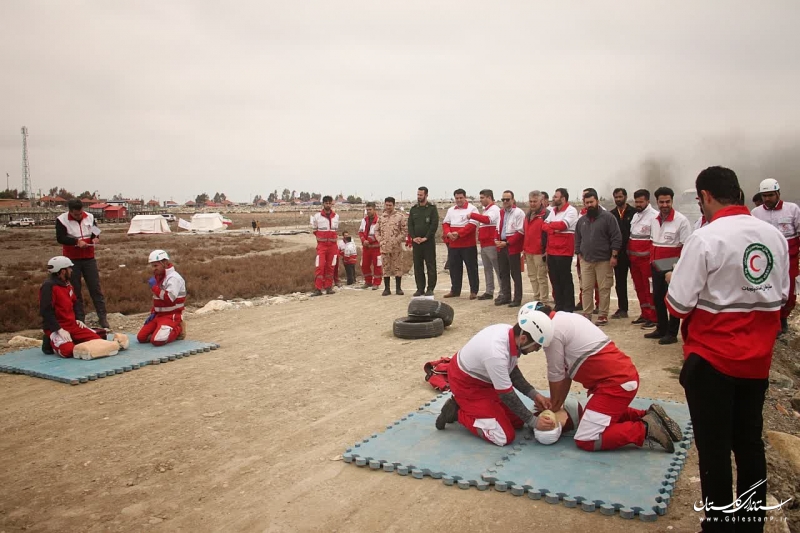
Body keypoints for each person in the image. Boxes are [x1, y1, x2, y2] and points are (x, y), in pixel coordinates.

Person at [666, 166, 789, 531]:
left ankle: (718, 525)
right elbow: (781, 296)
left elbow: (678, 305)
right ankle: (751, 524)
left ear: (704, 196)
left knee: (714, 448)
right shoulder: (773, 236)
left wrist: (674, 277)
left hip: (712, 360)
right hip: (757, 361)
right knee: (750, 443)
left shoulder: (705, 238)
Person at [524, 303, 680, 453]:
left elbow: (556, 374)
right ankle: (645, 414)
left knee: (587, 439)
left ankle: (645, 429)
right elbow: (564, 376)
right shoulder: (565, 318)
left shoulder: (552, 333)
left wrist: (553, 407)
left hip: (615, 384)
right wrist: (555, 405)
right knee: (591, 417)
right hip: (618, 379)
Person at [433, 306, 555, 446]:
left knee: (518, 421)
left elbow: (512, 371)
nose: (536, 350)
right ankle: (457, 412)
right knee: (504, 436)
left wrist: (535, 395)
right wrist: (534, 422)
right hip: (466, 385)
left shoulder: (509, 333)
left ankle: (477, 410)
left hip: (485, 381)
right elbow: (507, 395)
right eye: (537, 346)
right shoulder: (495, 353)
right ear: (523, 338)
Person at [751, 178, 800, 335]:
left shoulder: (792, 210)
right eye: (764, 195)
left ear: (778, 193)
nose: (767, 199)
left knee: (789, 291)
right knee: (767, 289)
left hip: (789, 258)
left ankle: (783, 317)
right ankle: (773, 322)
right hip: (765, 259)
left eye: (771, 195)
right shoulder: (756, 213)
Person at [644, 187, 692, 345]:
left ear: (672, 201)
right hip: (656, 265)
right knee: (657, 298)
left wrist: (677, 269)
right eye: (661, 202)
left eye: (668, 201)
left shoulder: (682, 221)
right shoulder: (654, 220)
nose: (665, 205)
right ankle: (661, 328)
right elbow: (653, 242)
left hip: (672, 267)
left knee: (672, 298)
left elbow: (686, 247)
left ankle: (672, 333)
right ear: (656, 202)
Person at [55, 198, 109, 328]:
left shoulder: (90, 217)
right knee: (75, 290)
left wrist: (95, 238)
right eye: (75, 214)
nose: (79, 216)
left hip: (89, 258)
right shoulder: (61, 220)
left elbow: (96, 230)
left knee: (95, 288)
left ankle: (102, 317)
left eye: (80, 213)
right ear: (70, 211)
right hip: (71, 261)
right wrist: (76, 242)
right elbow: (60, 238)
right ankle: (79, 319)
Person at [574, 190, 622, 326]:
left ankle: (602, 315)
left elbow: (616, 237)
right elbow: (577, 238)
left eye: (591, 202)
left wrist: (614, 255)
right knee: (586, 288)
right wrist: (579, 253)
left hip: (604, 260)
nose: (589, 205)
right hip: (586, 260)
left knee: (604, 288)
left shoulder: (608, 218)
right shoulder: (581, 221)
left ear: (597, 202)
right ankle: (587, 313)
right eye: (587, 203)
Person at [39, 256, 102, 357]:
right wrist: (58, 329)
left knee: (98, 341)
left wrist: (78, 319)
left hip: (72, 324)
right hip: (57, 327)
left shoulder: (67, 284)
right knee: (68, 351)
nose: (71, 270)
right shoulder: (49, 287)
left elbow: (75, 302)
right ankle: (49, 339)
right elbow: (46, 311)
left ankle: (72, 339)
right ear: (63, 271)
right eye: (69, 268)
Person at [137, 250, 187, 346]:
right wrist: (153, 312)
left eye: (155, 266)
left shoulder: (173, 278)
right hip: (159, 315)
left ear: (164, 263)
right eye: (152, 266)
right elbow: (157, 299)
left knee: (157, 341)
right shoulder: (159, 277)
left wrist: (155, 287)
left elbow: (169, 299)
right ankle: (161, 330)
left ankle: (178, 329)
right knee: (141, 338)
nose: (153, 269)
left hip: (172, 315)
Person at [544, 188, 578, 312]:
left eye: (556, 196)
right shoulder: (553, 211)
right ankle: (559, 304)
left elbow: (563, 225)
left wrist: (552, 226)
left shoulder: (571, 210)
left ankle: (568, 306)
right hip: (552, 250)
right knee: (554, 279)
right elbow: (544, 226)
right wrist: (554, 228)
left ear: (563, 198)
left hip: (564, 250)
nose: (553, 198)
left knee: (565, 279)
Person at [628, 190, 659, 328]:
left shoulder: (654, 216)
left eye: (641, 202)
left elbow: (654, 240)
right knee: (639, 288)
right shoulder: (635, 215)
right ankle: (644, 313)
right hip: (634, 260)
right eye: (636, 202)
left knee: (649, 289)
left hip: (646, 260)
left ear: (647, 201)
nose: (638, 204)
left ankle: (653, 317)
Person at [442, 189, 480, 299]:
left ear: (465, 197)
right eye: (457, 198)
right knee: (454, 268)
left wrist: (458, 233)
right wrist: (448, 233)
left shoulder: (472, 209)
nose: (458, 200)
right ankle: (455, 290)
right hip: (453, 245)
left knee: (471, 268)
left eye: (460, 198)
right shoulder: (451, 210)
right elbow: (445, 223)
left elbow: (472, 225)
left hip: (468, 244)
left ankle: (474, 291)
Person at [495, 190, 526, 307]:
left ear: (513, 200)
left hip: (512, 247)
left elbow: (520, 231)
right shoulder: (501, 212)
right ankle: (506, 296)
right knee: (503, 272)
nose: (505, 202)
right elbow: (498, 228)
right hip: (501, 245)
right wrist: (496, 240)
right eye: (503, 199)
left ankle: (517, 298)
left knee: (515, 273)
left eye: (508, 199)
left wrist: (507, 243)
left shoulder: (519, 213)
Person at [469, 189, 501, 301]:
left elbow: (488, 220)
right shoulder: (486, 210)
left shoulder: (494, 209)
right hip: (484, 243)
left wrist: (472, 215)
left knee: (498, 268)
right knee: (487, 269)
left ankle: (503, 291)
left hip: (491, 243)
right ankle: (489, 291)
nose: (481, 200)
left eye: (482, 198)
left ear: (489, 197)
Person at [407, 186, 439, 296]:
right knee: (418, 266)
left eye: (421, 195)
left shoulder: (432, 209)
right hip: (416, 243)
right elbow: (410, 225)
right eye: (418, 195)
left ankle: (430, 288)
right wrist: (413, 237)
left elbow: (434, 225)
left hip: (428, 242)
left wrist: (426, 237)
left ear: (426, 195)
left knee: (430, 265)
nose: (419, 197)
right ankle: (420, 288)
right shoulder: (414, 209)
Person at [374, 197, 408, 296]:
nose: (388, 207)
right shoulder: (381, 217)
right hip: (384, 247)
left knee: (398, 267)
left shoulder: (400, 216)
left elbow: (404, 230)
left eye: (390, 205)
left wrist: (397, 240)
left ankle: (398, 288)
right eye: (387, 205)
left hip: (396, 247)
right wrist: (380, 239)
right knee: (385, 267)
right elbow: (376, 230)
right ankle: (387, 288)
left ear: (394, 205)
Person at [610, 188, 635, 319]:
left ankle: (647, 311)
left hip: (634, 252)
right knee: (620, 282)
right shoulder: (611, 214)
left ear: (625, 197)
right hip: (619, 253)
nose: (618, 199)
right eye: (616, 197)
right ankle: (622, 309)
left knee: (639, 282)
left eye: (620, 197)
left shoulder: (635, 212)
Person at [523, 190, 550, 305]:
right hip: (528, 251)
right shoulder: (528, 214)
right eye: (531, 201)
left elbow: (548, 234)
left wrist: (546, 250)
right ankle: (536, 297)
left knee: (541, 277)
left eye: (535, 201)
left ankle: (544, 300)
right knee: (532, 276)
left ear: (541, 201)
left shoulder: (546, 214)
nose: (533, 203)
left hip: (540, 251)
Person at [310, 195, 340, 296]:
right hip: (322, 246)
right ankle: (318, 289)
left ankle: (328, 287)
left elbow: (336, 230)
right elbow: (314, 230)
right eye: (326, 203)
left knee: (330, 267)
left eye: (329, 203)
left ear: (332, 204)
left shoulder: (336, 216)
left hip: (333, 246)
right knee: (320, 266)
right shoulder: (317, 216)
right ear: (323, 204)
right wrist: (321, 239)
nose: (328, 205)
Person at [358, 202, 382, 290]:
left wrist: (370, 240)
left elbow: (381, 233)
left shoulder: (380, 220)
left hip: (376, 247)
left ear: (374, 209)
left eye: (370, 209)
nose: (368, 211)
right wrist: (363, 240)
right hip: (366, 247)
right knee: (364, 265)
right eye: (367, 210)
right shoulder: (364, 220)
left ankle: (376, 282)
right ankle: (368, 281)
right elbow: (360, 232)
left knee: (377, 265)